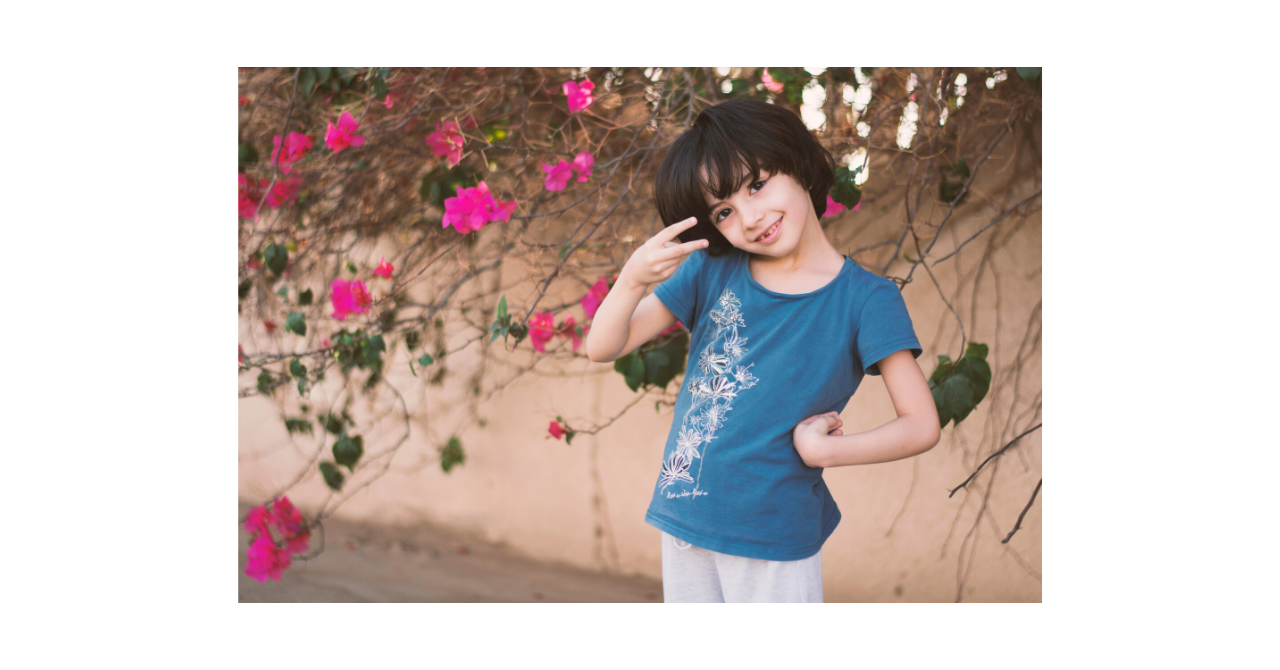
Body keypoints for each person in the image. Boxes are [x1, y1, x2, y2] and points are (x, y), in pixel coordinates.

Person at [585, 98, 941, 603]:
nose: (750, 217)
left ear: (796, 163)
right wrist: (631, 279)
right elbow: (604, 346)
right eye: (724, 211)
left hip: (773, 532)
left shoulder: (866, 299)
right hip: (685, 515)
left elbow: (921, 424)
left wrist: (826, 451)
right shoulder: (711, 270)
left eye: (757, 184)